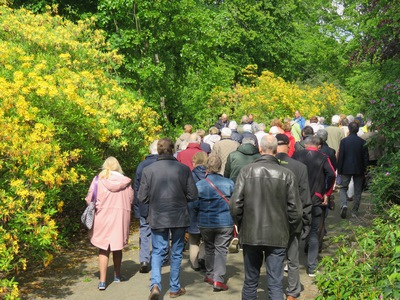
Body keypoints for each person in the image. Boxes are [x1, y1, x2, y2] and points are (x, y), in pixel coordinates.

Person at [230, 135, 302, 300]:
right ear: (276, 151)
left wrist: (240, 225)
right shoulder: (287, 174)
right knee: (275, 283)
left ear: (260, 150)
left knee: (250, 281)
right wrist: (290, 229)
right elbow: (295, 211)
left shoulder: (246, 171)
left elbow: (235, 205)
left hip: (251, 233)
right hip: (278, 233)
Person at [138, 138, 198, 299]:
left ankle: (155, 285)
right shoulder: (184, 169)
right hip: (178, 216)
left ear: (158, 151)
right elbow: (193, 195)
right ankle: (174, 288)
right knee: (177, 252)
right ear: (173, 150)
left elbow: (141, 198)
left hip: (158, 215)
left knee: (157, 251)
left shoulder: (148, 170)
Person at [85, 157, 134, 291]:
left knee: (103, 248)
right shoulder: (126, 182)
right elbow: (131, 199)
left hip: (102, 217)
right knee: (117, 247)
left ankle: (102, 281)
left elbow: (90, 199)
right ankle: (117, 276)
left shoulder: (98, 180)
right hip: (120, 217)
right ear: (118, 167)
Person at [292, 136, 336, 277]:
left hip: (298, 198)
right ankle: (311, 267)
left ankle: (290, 263)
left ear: (305, 145)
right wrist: (326, 192)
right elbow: (332, 174)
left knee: (294, 232)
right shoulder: (322, 157)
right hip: (316, 198)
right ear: (319, 146)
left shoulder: (296, 155)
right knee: (314, 233)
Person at [275, 134, 312, 300]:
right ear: (289, 146)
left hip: (272, 218)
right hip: (292, 217)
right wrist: (306, 221)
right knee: (293, 257)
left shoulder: (265, 166)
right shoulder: (299, 167)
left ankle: (274, 289)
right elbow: (305, 197)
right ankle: (293, 291)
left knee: (274, 257)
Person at [192, 155, 235, 291]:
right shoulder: (229, 183)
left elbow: (194, 205)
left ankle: (210, 274)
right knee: (221, 249)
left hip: (205, 222)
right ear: (220, 166)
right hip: (225, 221)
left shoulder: (199, 185)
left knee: (209, 247)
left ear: (207, 167)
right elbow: (234, 203)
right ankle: (218, 279)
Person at [133, 140, 158, 274]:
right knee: (159, 231)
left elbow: (136, 189)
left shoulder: (141, 165)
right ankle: (158, 258)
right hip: (159, 205)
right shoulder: (162, 164)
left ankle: (144, 259)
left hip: (144, 204)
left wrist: (137, 207)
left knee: (144, 230)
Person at [337, 122, 369, 218]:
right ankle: (354, 211)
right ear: (358, 130)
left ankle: (344, 204)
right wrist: (365, 169)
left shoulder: (344, 141)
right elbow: (365, 157)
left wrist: (339, 169)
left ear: (349, 130)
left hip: (346, 168)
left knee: (343, 188)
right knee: (358, 190)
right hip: (359, 169)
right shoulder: (363, 142)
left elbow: (341, 156)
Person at [187, 152, 207, 271]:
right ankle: (203, 258)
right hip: (206, 209)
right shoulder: (209, 174)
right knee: (205, 238)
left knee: (193, 240)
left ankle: (195, 264)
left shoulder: (189, 175)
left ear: (194, 162)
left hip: (192, 209)